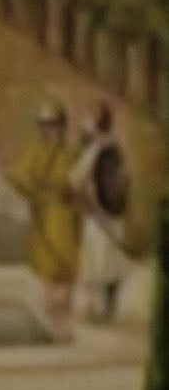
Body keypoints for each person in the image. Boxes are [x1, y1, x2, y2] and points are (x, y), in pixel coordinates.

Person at [6, 98, 84, 334]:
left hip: (67, 216)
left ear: (63, 126)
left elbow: (80, 182)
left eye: (56, 124)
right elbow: (17, 175)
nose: (52, 130)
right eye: (47, 125)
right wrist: (34, 192)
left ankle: (65, 317)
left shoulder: (71, 154)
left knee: (67, 265)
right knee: (48, 266)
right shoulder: (35, 152)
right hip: (45, 215)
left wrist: (73, 192)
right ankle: (53, 318)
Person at [71, 99, 132, 324]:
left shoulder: (95, 150)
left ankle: (98, 310)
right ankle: (109, 309)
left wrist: (83, 200)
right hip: (114, 213)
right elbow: (125, 180)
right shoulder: (116, 149)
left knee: (97, 263)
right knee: (112, 263)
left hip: (98, 215)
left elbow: (75, 179)